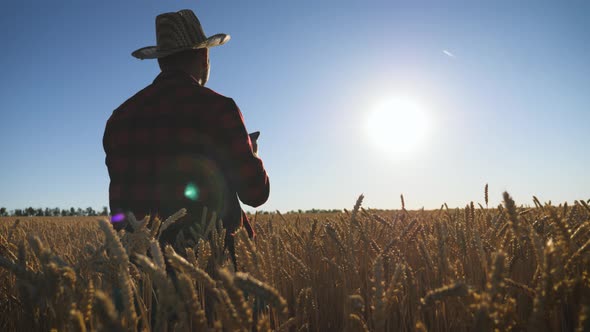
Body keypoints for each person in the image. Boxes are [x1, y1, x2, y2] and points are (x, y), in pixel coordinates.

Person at [103, 9, 269, 257]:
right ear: (204, 56)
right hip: (214, 271)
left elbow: (121, 209)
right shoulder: (219, 109)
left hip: (141, 276)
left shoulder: (120, 118)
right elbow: (255, 193)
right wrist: (252, 154)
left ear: (161, 61)